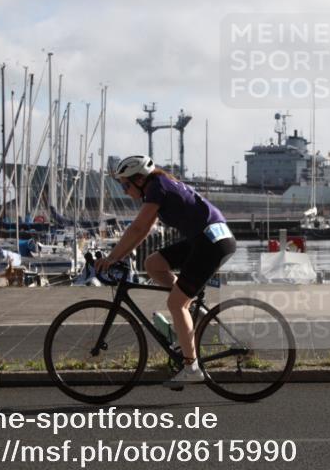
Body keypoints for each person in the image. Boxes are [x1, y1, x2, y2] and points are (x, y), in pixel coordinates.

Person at [94, 155, 236, 384]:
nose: (123, 190)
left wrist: (111, 258)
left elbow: (138, 228)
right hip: (205, 239)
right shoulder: (158, 187)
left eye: (125, 184)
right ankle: (191, 309)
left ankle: (192, 368)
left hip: (211, 242)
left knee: (175, 303)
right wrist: (117, 255)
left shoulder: (157, 187)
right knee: (153, 264)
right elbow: (142, 231)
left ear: (140, 179)